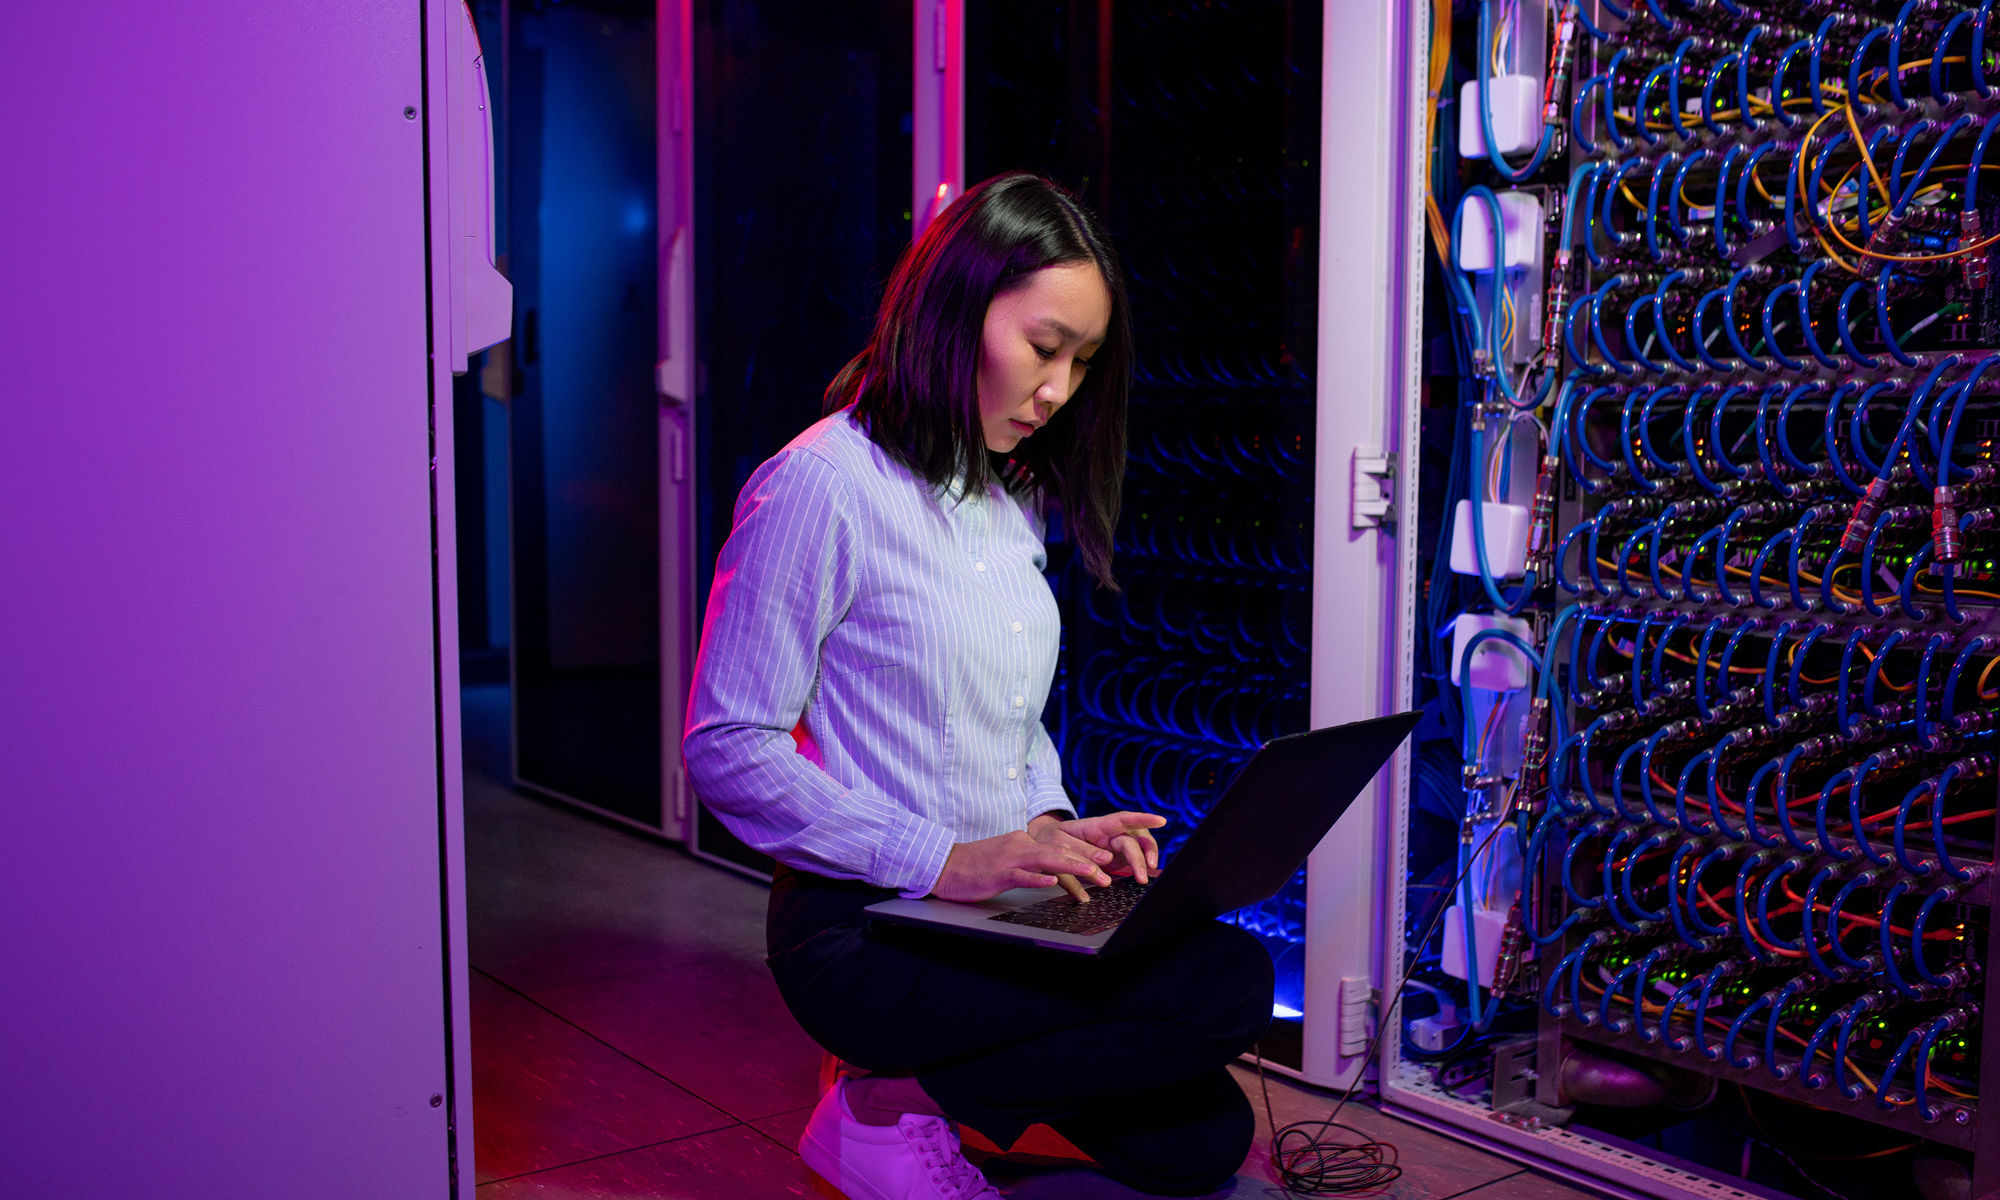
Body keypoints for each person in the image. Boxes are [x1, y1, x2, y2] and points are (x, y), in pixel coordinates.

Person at [683, 172, 1274, 1200]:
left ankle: (911, 1089)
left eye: (1081, 364)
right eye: (1044, 348)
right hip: (864, 931)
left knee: (1201, 1141)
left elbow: (1006, 725)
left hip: (994, 908)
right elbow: (725, 749)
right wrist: (946, 861)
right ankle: (881, 1099)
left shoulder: (1008, 498)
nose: (1056, 390)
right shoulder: (821, 484)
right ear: (954, 305)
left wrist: (1058, 833)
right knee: (1227, 984)